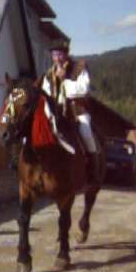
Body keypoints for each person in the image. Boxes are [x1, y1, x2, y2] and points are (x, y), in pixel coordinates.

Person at [41, 39, 101, 184]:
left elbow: (84, 88)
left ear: (66, 55)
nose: (57, 58)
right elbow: (45, 93)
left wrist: (64, 82)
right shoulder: (49, 74)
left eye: (60, 55)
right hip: (57, 111)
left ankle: (93, 165)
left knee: (86, 132)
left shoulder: (79, 67)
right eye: (55, 55)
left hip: (77, 111)